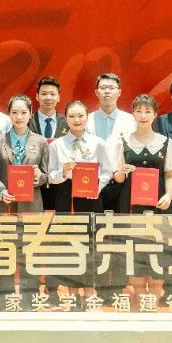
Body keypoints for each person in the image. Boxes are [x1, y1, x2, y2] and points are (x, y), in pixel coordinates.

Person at [109, 94, 172, 300]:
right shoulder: (123, 141)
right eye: (138, 111)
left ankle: (153, 301)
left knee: (158, 252)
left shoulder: (166, 142)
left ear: (155, 115)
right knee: (134, 251)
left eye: (148, 111)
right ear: (133, 114)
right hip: (131, 206)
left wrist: (169, 195)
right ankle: (139, 303)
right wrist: (121, 172)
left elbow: (170, 174)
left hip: (158, 205)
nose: (143, 115)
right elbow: (117, 177)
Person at [45, 100, 113, 305]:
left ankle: (89, 292)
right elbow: (50, 176)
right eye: (72, 116)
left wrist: (96, 188)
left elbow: (107, 171)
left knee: (91, 246)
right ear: (65, 118)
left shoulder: (98, 143)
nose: (76, 120)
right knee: (69, 246)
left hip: (91, 198)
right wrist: (63, 172)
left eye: (81, 116)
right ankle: (73, 294)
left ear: (87, 118)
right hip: (66, 198)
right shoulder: (56, 145)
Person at [0, 94, 49, 303]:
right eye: (14, 112)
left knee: (29, 253)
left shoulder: (40, 141)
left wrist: (39, 176)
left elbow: (46, 176)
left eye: (23, 112)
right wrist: (1, 191)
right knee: (5, 252)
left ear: (31, 114)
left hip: (31, 206)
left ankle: (29, 296)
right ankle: (6, 296)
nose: (19, 116)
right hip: (5, 205)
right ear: (9, 114)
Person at [88, 72, 137, 212]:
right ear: (96, 92)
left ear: (119, 92)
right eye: (103, 88)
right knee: (93, 223)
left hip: (122, 182)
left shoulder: (131, 121)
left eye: (111, 88)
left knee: (120, 223)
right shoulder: (87, 120)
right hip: (93, 182)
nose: (107, 91)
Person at [28, 76, 68, 210]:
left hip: (60, 184)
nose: (48, 97)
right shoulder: (27, 121)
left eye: (52, 94)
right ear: (37, 96)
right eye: (44, 93)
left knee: (59, 220)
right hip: (34, 182)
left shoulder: (67, 122)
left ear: (59, 97)